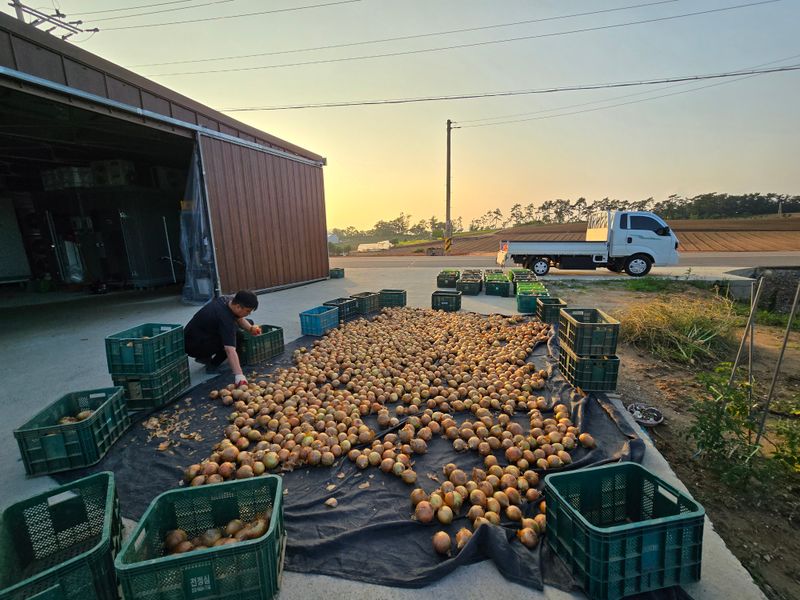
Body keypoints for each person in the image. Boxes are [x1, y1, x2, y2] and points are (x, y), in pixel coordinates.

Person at [184, 290, 260, 387]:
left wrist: (250, 328)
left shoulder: (228, 300)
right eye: (248, 311)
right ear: (238, 307)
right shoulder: (225, 318)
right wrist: (239, 376)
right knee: (237, 336)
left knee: (249, 322)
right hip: (194, 346)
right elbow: (229, 349)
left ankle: (204, 357)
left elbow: (239, 318)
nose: (249, 313)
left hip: (195, 336)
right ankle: (212, 365)